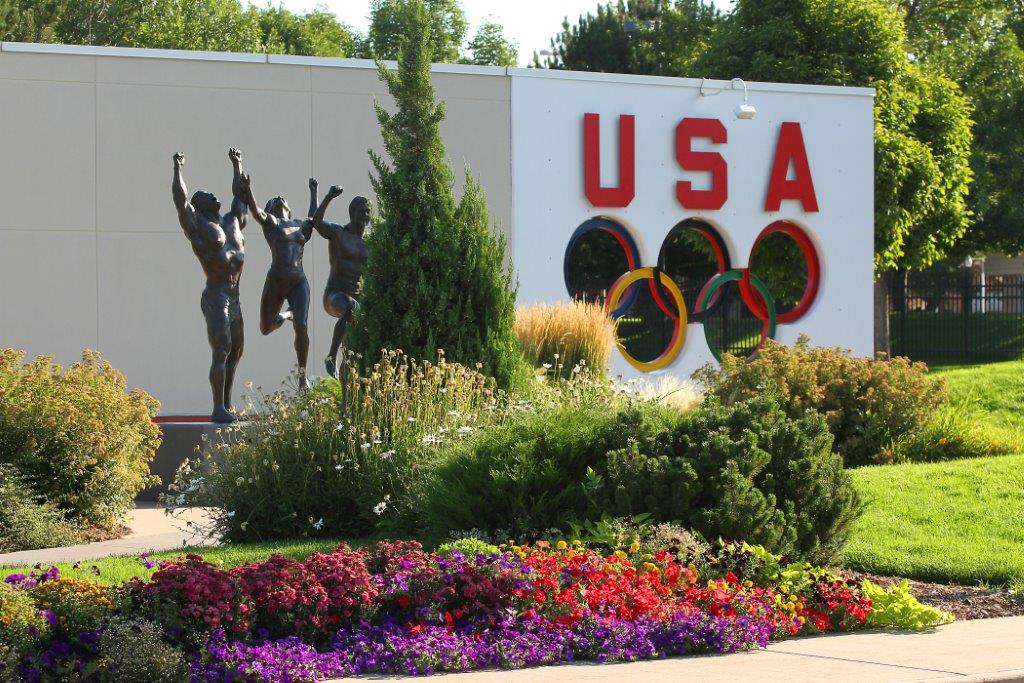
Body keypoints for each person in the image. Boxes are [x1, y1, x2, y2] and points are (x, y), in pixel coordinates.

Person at [171, 148, 247, 424]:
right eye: (206, 195)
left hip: (235, 296)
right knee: (222, 348)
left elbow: (240, 196)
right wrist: (178, 168)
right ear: (199, 205)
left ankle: (226, 403)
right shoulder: (199, 226)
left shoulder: (232, 221)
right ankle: (217, 407)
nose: (214, 196)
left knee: (236, 351)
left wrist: (238, 165)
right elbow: (181, 201)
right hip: (216, 295)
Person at [238, 173, 318, 390]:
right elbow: (256, 211)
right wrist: (248, 189)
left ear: (289, 208)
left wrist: (314, 192)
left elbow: (314, 218)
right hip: (276, 281)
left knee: (301, 325)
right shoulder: (272, 223)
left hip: (298, 282)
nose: (280, 198)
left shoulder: (299, 225)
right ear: (271, 209)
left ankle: (302, 377)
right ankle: (286, 314)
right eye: (274, 200)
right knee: (266, 327)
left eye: (282, 199)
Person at [311, 186, 371, 378]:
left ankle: (349, 391)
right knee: (351, 307)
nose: (366, 215)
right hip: (334, 296)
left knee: (355, 347)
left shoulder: (370, 242)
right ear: (352, 213)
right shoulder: (339, 233)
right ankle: (331, 356)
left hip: (357, 301)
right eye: (362, 211)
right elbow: (316, 221)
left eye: (368, 211)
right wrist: (327, 197)